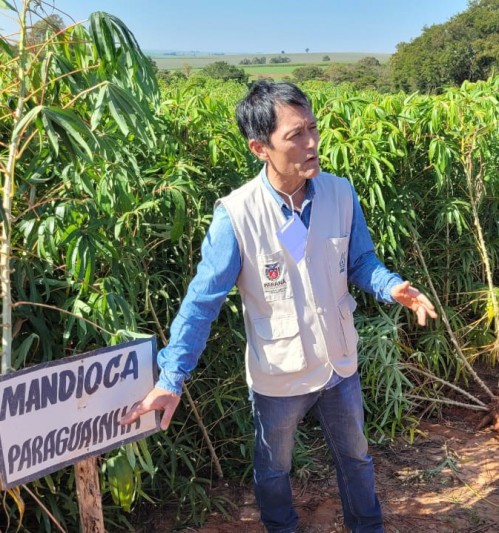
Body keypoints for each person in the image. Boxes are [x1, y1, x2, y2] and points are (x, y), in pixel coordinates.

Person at [121, 81, 437, 533]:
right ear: (259, 148)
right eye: (295, 135)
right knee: (273, 470)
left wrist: (391, 287)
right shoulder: (237, 215)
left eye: (313, 128)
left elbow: (360, 261)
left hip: (339, 362)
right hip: (279, 373)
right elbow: (201, 302)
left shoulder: (340, 193)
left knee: (356, 458)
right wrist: (172, 378)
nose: (312, 143)